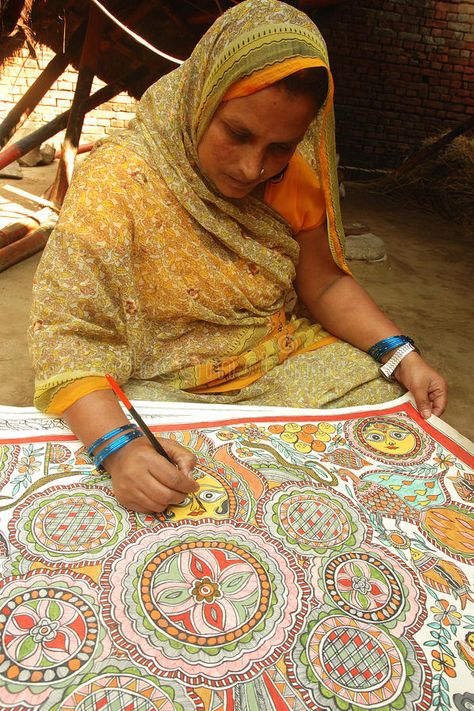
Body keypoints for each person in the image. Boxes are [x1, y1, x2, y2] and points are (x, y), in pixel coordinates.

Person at [29, 0, 447, 513]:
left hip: (276, 361)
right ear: (201, 96)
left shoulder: (294, 180)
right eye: (238, 134)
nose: (253, 168)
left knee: (387, 431)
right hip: (162, 383)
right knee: (131, 485)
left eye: (280, 147)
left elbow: (325, 284)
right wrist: (118, 450)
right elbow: (67, 336)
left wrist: (403, 357)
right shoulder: (120, 181)